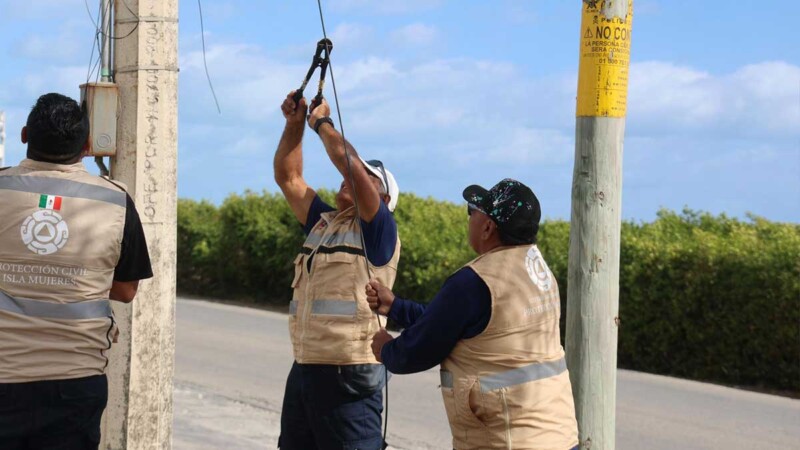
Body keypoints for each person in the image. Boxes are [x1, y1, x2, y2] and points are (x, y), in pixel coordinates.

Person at [368, 179, 579, 450]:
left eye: (473, 213)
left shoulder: (473, 281)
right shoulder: (538, 271)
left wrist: (386, 349)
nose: (470, 220)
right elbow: (460, 325)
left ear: (488, 227)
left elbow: (417, 350)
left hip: (507, 441)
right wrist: (397, 307)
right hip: (559, 436)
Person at [0, 93, 153, 449]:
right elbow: (127, 291)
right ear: (86, 145)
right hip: (75, 382)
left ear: (24, 136)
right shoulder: (116, 201)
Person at [273, 91, 401, 450]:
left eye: (369, 177)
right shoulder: (323, 222)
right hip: (305, 368)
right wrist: (294, 125)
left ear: (385, 199)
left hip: (350, 375)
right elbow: (289, 176)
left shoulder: (379, 229)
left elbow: (349, 165)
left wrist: (321, 124)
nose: (353, 178)